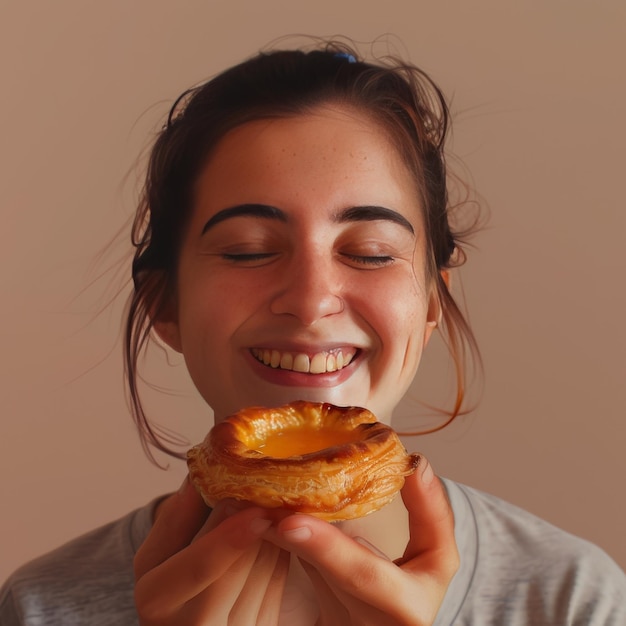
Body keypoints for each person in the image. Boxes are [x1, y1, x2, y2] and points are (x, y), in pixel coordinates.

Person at [1, 39, 625, 626]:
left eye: (373, 252)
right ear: (166, 304)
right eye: (246, 251)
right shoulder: (41, 607)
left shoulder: (571, 599)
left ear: (432, 303)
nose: (310, 300)